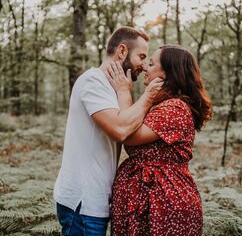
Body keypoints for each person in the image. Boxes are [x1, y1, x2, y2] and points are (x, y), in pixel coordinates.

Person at [53, 26, 163, 236]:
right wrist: (148, 97)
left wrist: (125, 93)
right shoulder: (93, 81)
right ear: (122, 52)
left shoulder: (114, 87)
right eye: (141, 56)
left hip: (96, 200)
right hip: (83, 202)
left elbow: (126, 122)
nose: (143, 64)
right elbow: (121, 129)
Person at [108, 45, 212, 236]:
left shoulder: (175, 108)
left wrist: (124, 92)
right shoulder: (160, 104)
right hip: (147, 198)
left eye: (152, 63)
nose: (146, 67)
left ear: (168, 72)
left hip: (164, 203)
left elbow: (129, 135)